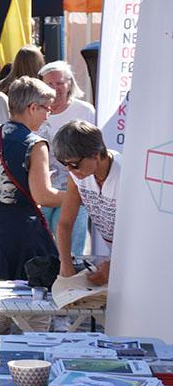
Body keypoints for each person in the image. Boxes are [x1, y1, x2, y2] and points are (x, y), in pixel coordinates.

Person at [0, 77, 65, 280]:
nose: (47, 116)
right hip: (21, 235)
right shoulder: (35, 144)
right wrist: (78, 196)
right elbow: (44, 196)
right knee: (27, 307)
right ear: (32, 107)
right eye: (46, 109)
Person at [36, 61, 95, 254]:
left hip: (75, 187)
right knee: (41, 247)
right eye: (49, 84)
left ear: (70, 83)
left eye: (60, 83)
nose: (55, 88)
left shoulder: (85, 111)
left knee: (70, 249)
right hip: (41, 189)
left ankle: (70, 280)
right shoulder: (34, 110)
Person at [53, 121, 120, 285]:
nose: (70, 170)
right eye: (65, 164)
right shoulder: (76, 176)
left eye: (74, 164)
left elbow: (142, 235)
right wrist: (66, 263)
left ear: (96, 154)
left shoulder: (125, 175)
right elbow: (65, 223)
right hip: (117, 253)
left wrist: (115, 265)